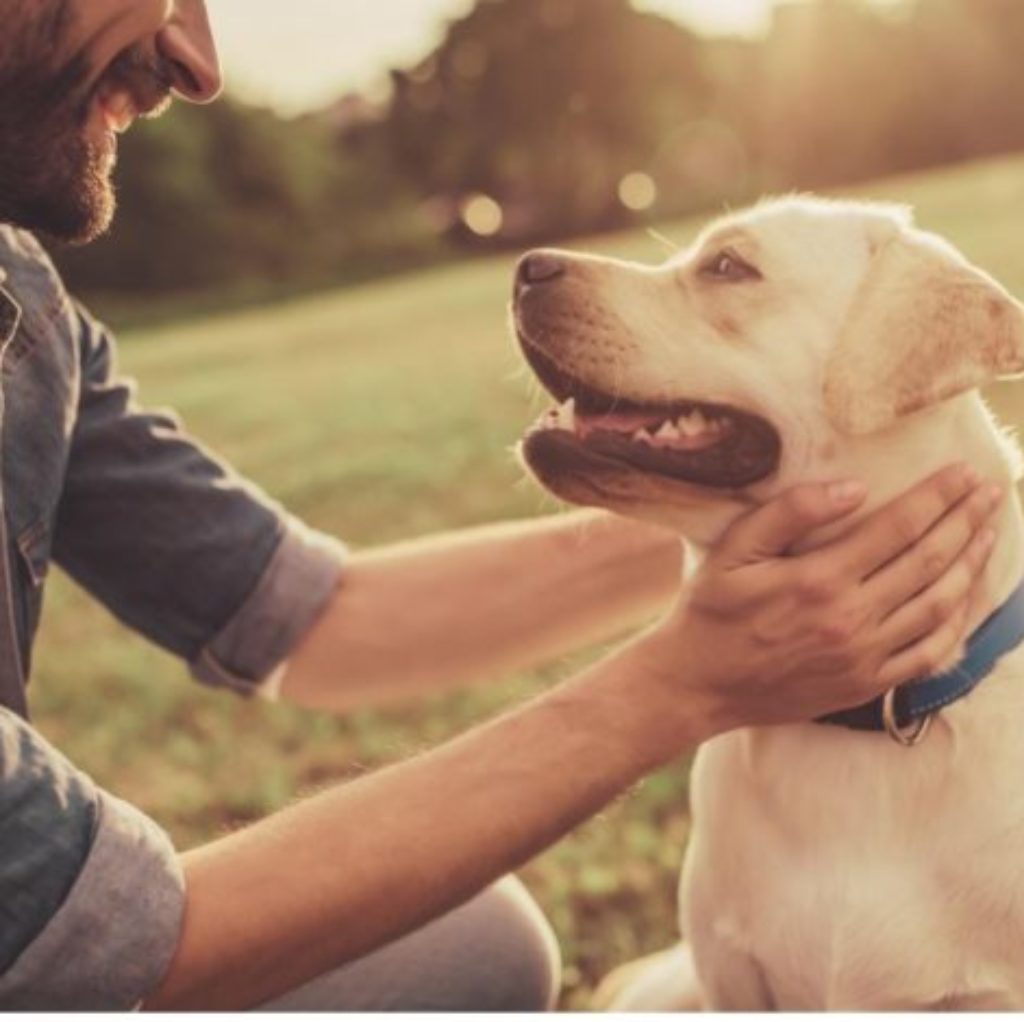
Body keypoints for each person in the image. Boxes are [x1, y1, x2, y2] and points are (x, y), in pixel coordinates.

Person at [0, 0, 1000, 1011]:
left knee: (472, 947)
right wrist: (677, 685)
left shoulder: (23, 305)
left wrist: (809, 518)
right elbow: (79, 936)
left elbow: (310, 613)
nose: (198, 59)